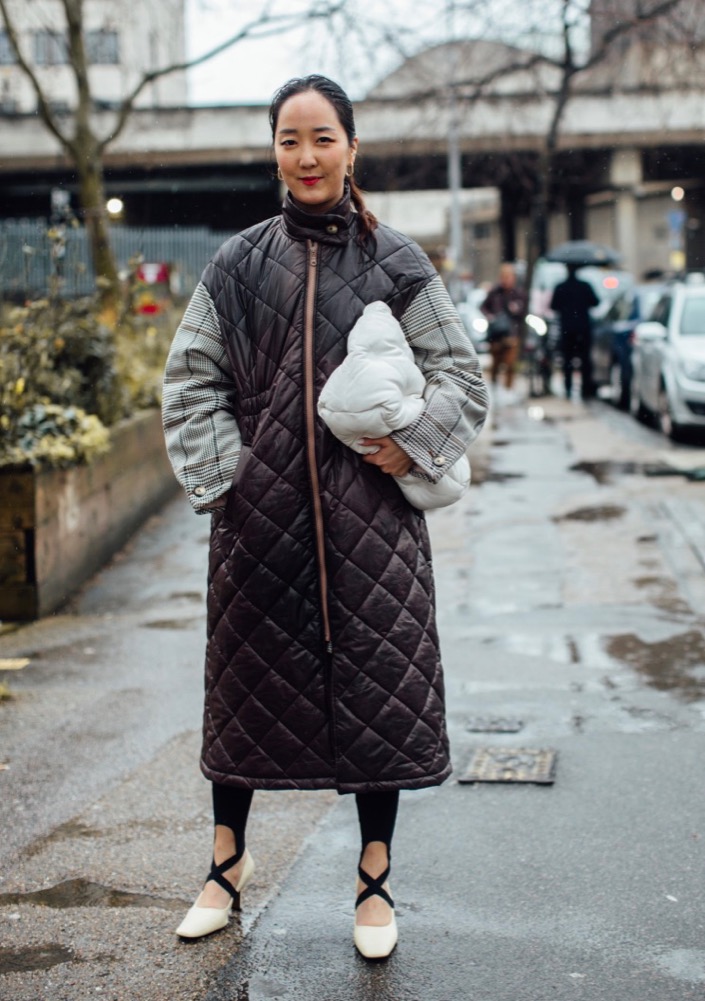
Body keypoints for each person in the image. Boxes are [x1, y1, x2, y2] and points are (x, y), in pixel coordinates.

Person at [162, 74, 489, 960]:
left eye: (321, 138)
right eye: (288, 139)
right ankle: (225, 869)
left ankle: (373, 879)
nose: (304, 156)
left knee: (376, 697)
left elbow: (463, 375)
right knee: (242, 698)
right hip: (257, 528)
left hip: (373, 532)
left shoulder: (399, 263)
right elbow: (190, 380)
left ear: (351, 147)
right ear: (274, 149)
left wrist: (411, 443)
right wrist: (231, 480)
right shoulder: (236, 263)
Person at [549, 263, 599, 399]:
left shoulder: (561, 287)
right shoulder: (585, 286)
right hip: (583, 328)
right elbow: (596, 302)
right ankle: (585, 389)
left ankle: (568, 388)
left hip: (567, 328)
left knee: (568, 360)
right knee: (585, 359)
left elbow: (553, 306)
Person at [480, 262, 528, 390]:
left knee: (510, 363)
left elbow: (523, 313)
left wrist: (516, 309)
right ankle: (495, 385)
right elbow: (484, 307)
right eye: (504, 277)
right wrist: (490, 316)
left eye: (509, 277)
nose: (506, 280)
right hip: (496, 333)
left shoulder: (518, 293)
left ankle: (508, 389)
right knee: (496, 362)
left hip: (512, 332)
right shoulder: (495, 292)